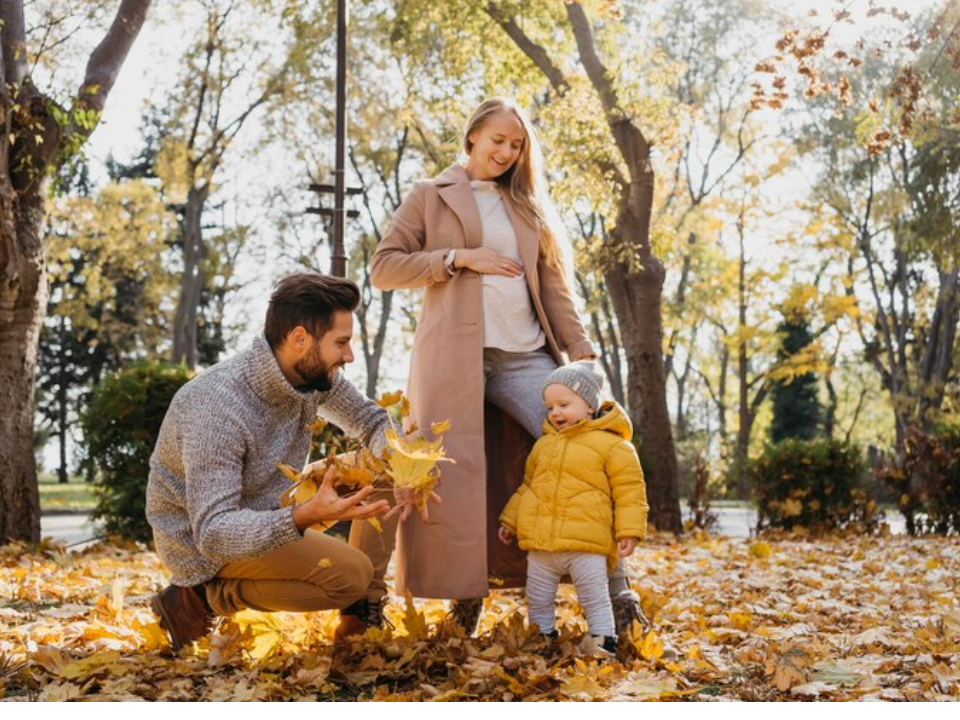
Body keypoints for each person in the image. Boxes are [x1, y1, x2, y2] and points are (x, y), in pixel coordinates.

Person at [339, 97, 643, 639]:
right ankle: (439, 597)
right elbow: (384, 268)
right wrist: (458, 259)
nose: (507, 151)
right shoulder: (430, 196)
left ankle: (619, 593)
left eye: (517, 144)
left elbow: (553, 285)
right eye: (498, 139)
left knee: (585, 450)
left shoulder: (526, 206)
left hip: (526, 358)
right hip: (452, 363)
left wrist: (580, 350)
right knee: (428, 474)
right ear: (473, 136)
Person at [146, 273, 395, 650]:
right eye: (341, 343)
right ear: (299, 339)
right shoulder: (218, 405)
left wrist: (409, 472)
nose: (349, 356)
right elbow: (214, 532)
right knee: (350, 574)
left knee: (387, 467)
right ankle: (200, 597)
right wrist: (304, 516)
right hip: (203, 543)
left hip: (271, 504)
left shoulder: (311, 376)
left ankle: (363, 613)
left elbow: (371, 421)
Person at [498, 362, 648, 654]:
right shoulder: (543, 446)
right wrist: (510, 520)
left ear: (590, 405)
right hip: (542, 546)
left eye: (564, 404)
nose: (555, 412)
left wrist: (629, 530)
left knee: (594, 596)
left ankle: (603, 640)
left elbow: (630, 490)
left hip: (587, 546)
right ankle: (542, 637)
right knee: (538, 597)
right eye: (549, 406)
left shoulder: (612, 445)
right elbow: (528, 487)